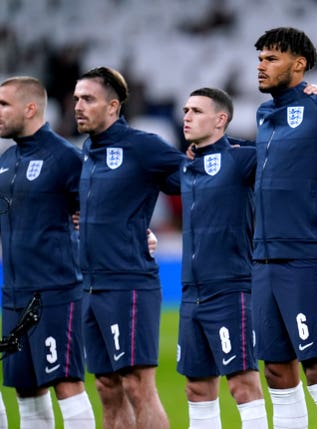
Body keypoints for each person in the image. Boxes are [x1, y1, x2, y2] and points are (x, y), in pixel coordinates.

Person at [252, 27, 317, 429]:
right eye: (259, 58)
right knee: (276, 368)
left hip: (307, 256)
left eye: (271, 59)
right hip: (262, 259)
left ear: (298, 65)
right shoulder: (264, 113)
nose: (261, 66)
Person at [73, 67, 184, 428]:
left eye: (88, 99)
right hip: (90, 285)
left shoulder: (141, 145)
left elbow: (196, 182)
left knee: (138, 386)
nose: (78, 105)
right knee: (107, 386)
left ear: (113, 106)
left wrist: (143, 229)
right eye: (75, 98)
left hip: (129, 284)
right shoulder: (89, 150)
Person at [0, 76, 95, 428]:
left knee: (66, 383)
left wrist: (139, 234)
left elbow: (100, 208)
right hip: (13, 295)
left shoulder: (65, 157)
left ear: (30, 108)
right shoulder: (8, 159)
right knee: (26, 389)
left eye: (3, 105)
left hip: (55, 293)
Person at [175, 87, 267, 428]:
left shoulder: (241, 159)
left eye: (197, 111)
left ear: (221, 119)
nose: (187, 116)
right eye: (185, 110)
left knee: (242, 385)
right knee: (197, 389)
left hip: (231, 290)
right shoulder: (185, 166)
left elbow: (287, 157)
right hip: (191, 293)